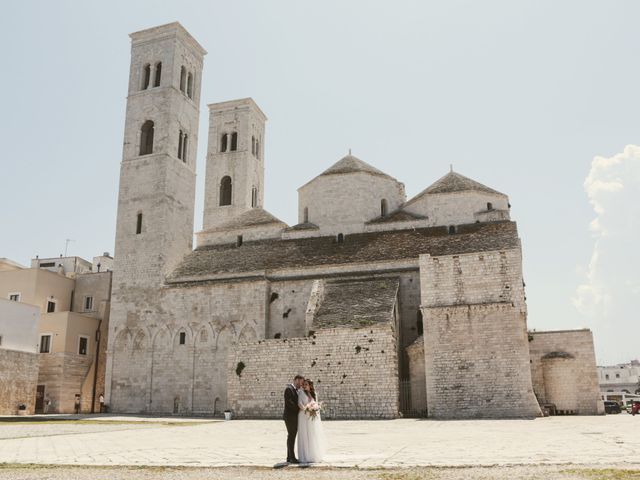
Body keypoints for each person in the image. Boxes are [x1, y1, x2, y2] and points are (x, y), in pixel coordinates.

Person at [297, 379, 326, 463]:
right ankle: (305, 455)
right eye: (304, 384)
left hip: (312, 417)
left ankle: (313, 454)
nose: (304, 386)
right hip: (303, 416)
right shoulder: (301, 393)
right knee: (305, 435)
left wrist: (315, 408)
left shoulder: (314, 393)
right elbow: (299, 404)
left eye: (306, 384)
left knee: (312, 434)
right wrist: (306, 409)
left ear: (310, 385)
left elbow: (316, 404)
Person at [283, 375, 305, 464]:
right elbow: (289, 403)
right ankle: (292, 457)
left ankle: (289, 457)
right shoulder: (289, 389)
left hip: (293, 417)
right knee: (291, 436)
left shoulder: (296, 390)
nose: (301, 384)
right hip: (290, 417)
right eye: (301, 382)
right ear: (296, 380)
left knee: (291, 436)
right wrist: (299, 409)